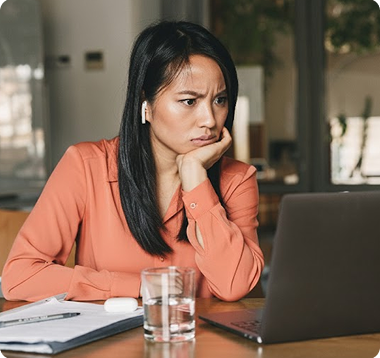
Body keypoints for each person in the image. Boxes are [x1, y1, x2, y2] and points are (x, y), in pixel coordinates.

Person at [2, 20, 264, 302]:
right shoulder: (86, 166)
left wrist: (195, 177)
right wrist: (139, 286)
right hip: (107, 343)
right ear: (145, 104)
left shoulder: (236, 180)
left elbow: (235, 285)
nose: (210, 120)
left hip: (198, 343)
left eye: (220, 100)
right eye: (189, 101)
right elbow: (20, 277)